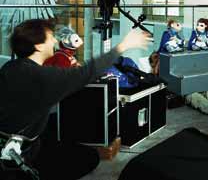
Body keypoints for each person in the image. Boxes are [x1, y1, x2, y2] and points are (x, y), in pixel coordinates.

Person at [0, 19, 152, 180]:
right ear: (38, 46)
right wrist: (123, 45)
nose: (55, 40)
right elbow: (88, 72)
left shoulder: (12, 67)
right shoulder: (41, 77)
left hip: (24, 141)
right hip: (17, 157)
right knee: (87, 158)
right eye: (50, 37)